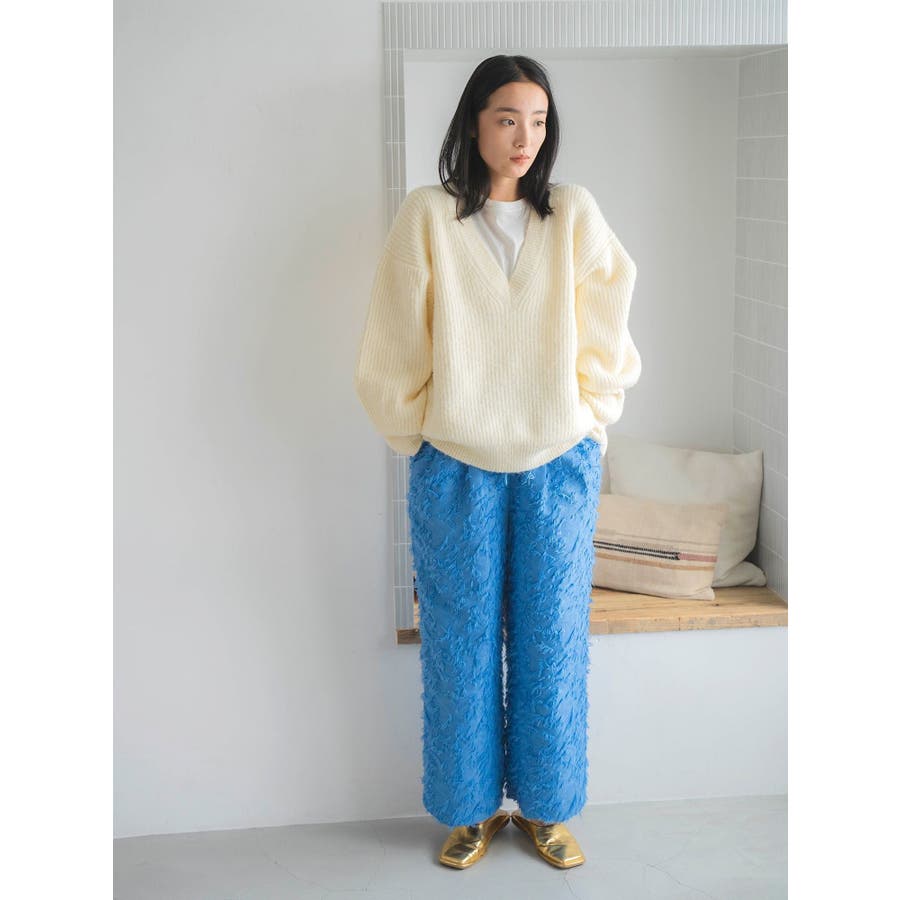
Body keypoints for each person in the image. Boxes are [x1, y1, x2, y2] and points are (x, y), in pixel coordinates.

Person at [354, 54, 641, 870]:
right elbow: (393, 337)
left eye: (538, 121)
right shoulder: (428, 216)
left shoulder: (572, 213)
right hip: (455, 465)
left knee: (554, 639)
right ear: (474, 123)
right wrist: (417, 431)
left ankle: (545, 809)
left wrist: (592, 419)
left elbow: (610, 309)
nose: (525, 137)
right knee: (459, 643)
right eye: (508, 118)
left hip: (557, 464)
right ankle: (470, 810)